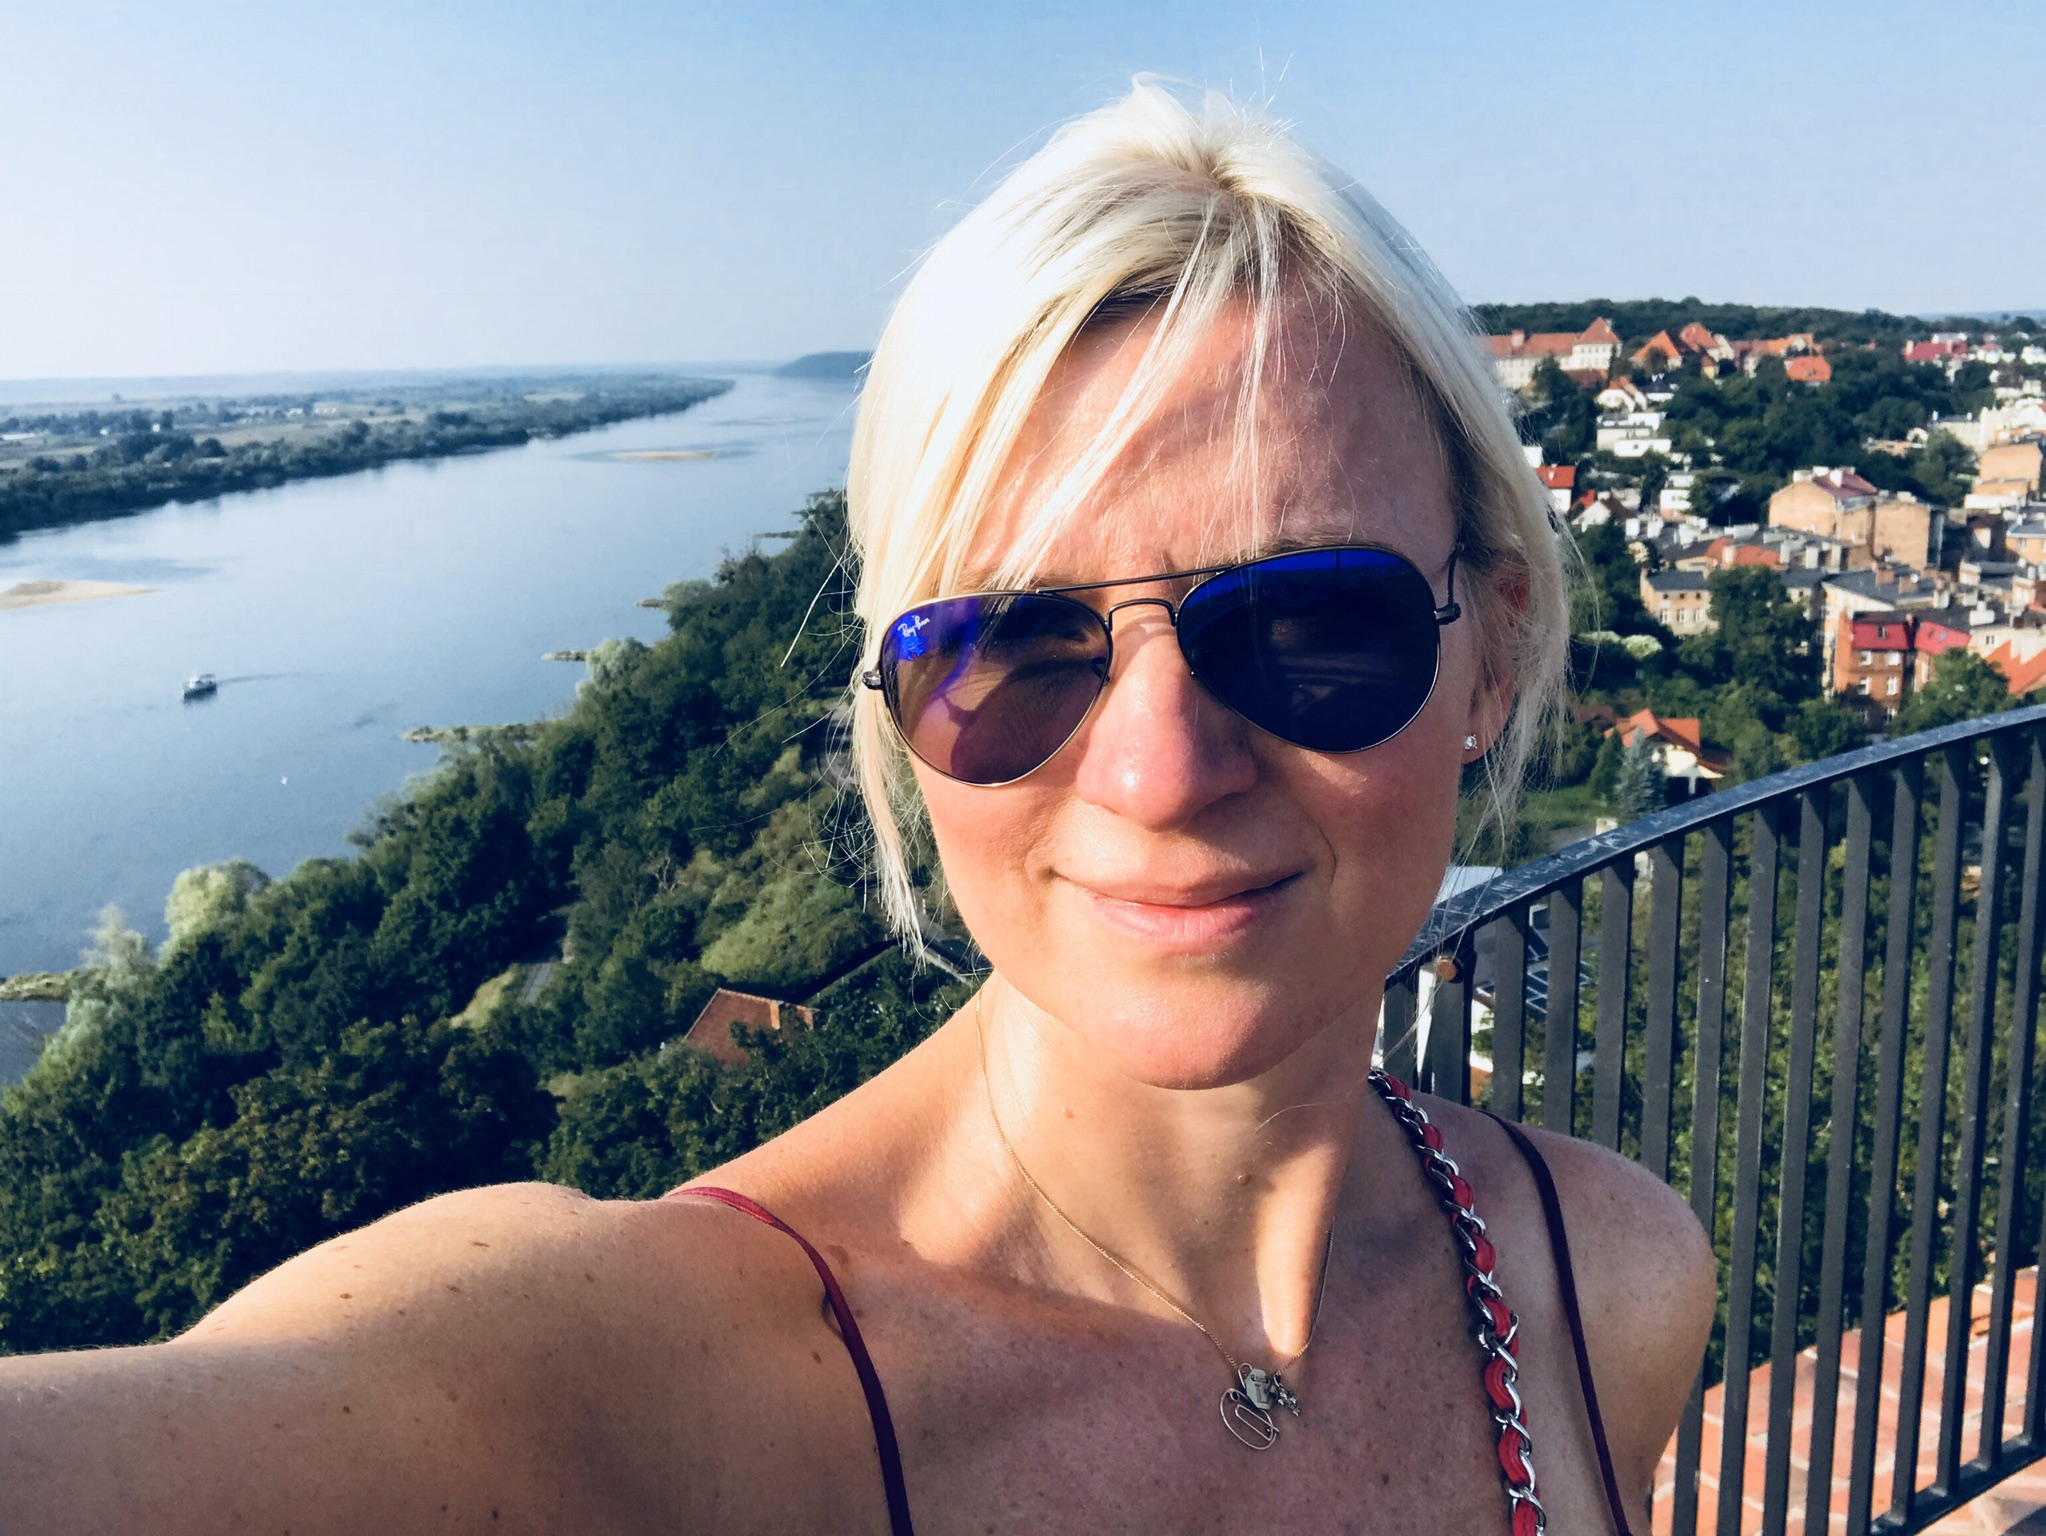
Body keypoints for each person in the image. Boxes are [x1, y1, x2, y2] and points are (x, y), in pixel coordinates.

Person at [0, 82, 1714, 1534]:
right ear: (898, 718)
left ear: (1490, 651)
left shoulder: (1607, 1286)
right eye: (1007, 647)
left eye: (1308, 620)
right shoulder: (650, 1400)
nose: (1158, 769)